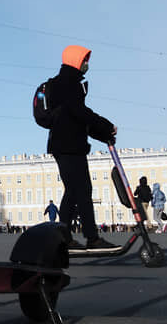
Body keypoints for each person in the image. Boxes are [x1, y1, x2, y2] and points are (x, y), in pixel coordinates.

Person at [45, 45, 118, 250]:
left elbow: (78, 119)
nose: (87, 64)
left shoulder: (67, 82)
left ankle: (64, 237)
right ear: (76, 60)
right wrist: (105, 125)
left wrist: (102, 134)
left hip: (67, 144)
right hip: (68, 146)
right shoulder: (68, 84)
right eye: (85, 60)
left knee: (74, 191)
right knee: (82, 189)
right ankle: (91, 238)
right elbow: (80, 113)